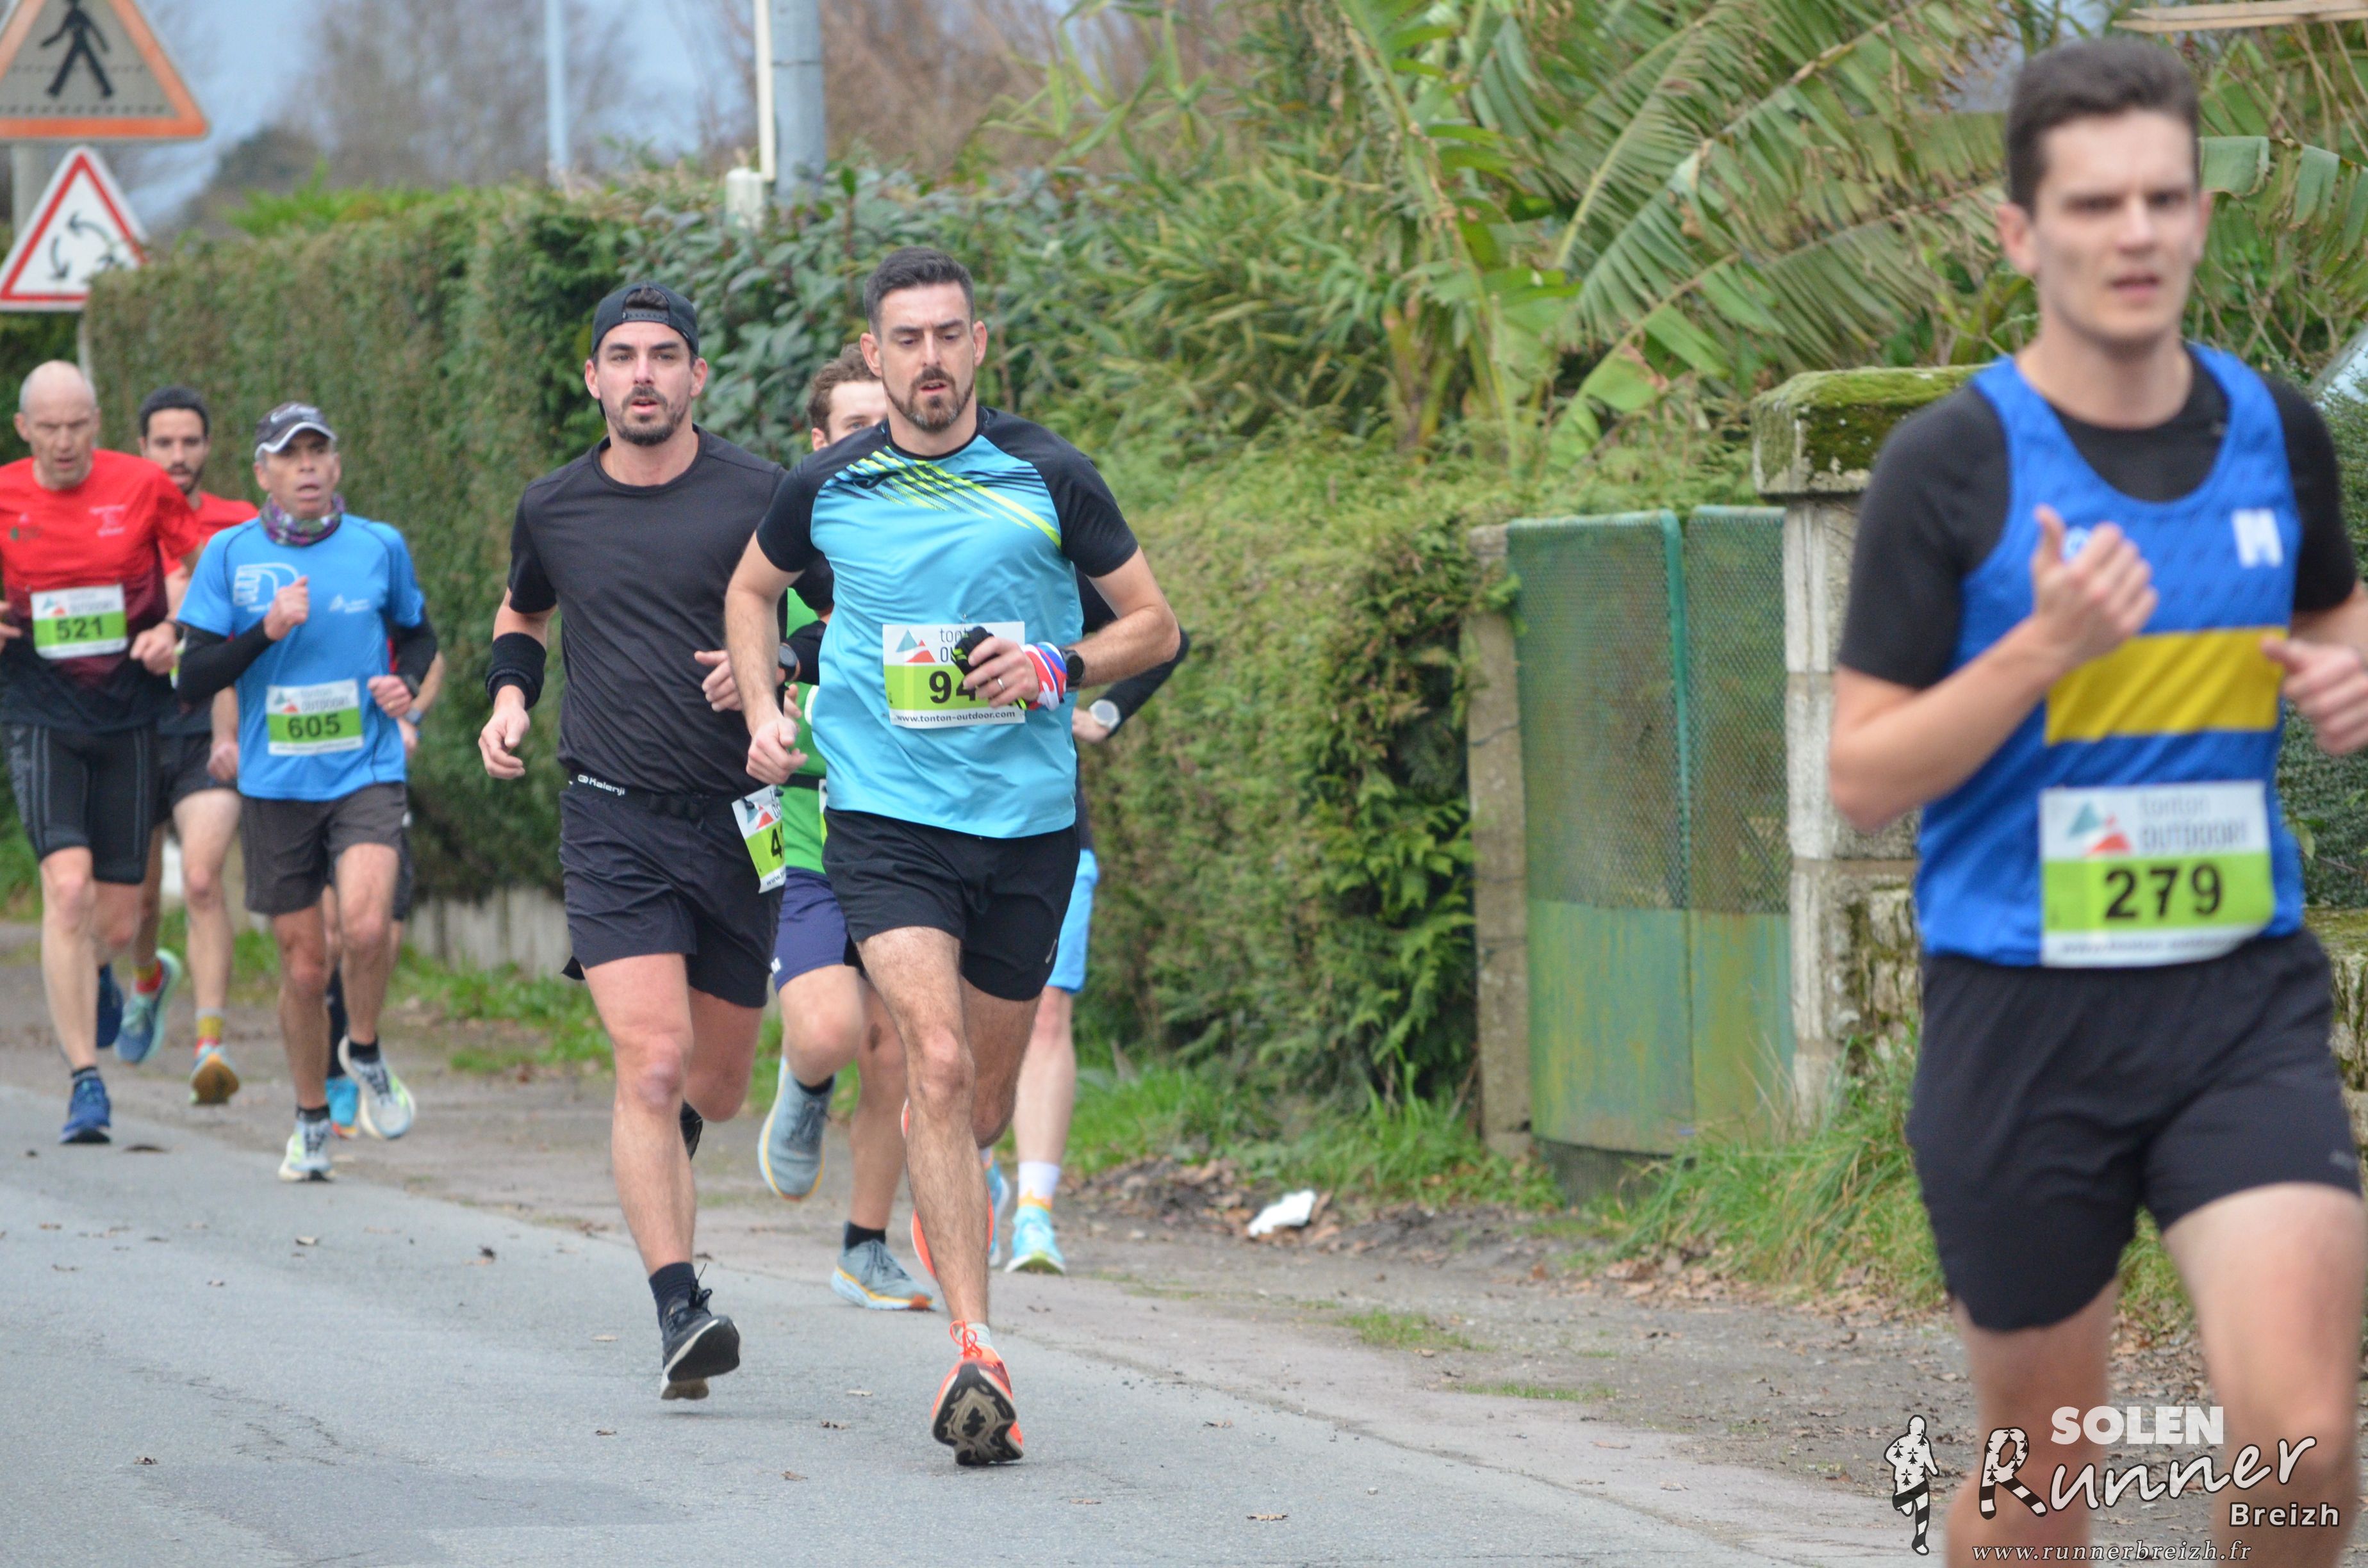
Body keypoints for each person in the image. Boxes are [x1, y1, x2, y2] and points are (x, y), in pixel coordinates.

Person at [1828, 40, 2366, 1567]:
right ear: (2022, 232)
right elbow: (1862, 773)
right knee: (2043, 1481)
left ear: (2199, 215)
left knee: (2305, 1439)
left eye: (2163, 198)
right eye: (2093, 204)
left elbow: (2333, 614)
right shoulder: (1951, 466)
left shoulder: (2276, 431)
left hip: (2237, 1003)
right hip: (2022, 1019)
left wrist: (2349, 674)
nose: (2135, 232)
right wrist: (2039, 652)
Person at [725, 247, 1181, 1464]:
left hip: (1026, 830)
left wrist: (1055, 666)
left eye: (948, 335)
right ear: (874, 355)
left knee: (976, 1104)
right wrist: (766, 709)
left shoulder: (1049, 475)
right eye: (906, 339)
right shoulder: (825, 485)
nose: (929, 359)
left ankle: (947, 1216)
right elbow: (752, 592)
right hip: (886, 826)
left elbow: (1154, 625)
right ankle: (977, 1351)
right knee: (929, 1058)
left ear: (979, 345)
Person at [480, 282, 787, 1401]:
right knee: (651, 1063)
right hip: (611, 816)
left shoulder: (762, 492)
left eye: (664, 355)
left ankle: (661, 1158)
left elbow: (835, 612)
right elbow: (524, 611)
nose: (643, 374)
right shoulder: (554, 505)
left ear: (697, 374)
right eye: (622, 356)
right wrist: (509, 699)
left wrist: (777, 666)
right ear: (594, 379)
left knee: (718, 1082)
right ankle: (679, 1309)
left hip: (740, 821)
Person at [702, 345, 933, 1311]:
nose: (872, 442)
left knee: (899, 1048)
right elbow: (741, 652)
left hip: (910, 831)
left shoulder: (933, 546)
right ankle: (803, 1086)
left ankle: (864, 1246)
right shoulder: (776, 564)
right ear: (817, 444)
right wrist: (756, 693)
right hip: (804, 836)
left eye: (885, 424)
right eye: (852, 427)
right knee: (834, 1031)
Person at [176, 404, 434, 1182]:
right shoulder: (229, 555)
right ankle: (311, 1118)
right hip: (277, 782)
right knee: (302, 967)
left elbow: (418, 634)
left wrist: (406, 683)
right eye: (291, 456)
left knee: (366, 926)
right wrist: (266, 630)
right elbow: (192, 677)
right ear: (264, 473)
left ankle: (365, 1049)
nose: (308, 466)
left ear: (337, 466)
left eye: (319, 452)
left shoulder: (379, 545)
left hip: (366, 768)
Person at [0, 363, 208, 1144]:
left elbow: (198, 571)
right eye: (48, 429)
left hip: (129, 715)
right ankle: (85, 1081)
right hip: (40, 712)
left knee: (119, 924)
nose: (64, 443)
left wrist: (175, 629)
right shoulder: (4, 493)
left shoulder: (143, 485)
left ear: (96, 422)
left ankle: (98, 974)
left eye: (77, 426)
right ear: (24, 429)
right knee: (67, 890)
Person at [1001, 582, 1187, 1275]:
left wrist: (1106, 711)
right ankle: (972, 1172)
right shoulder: (914, 547)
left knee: (1047, 1014)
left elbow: (1164, 634)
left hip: (1054, 831)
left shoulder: (1050, 557)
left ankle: (1035, 1215)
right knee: (952, 1023)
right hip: (937, 831)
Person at [116, 386, 258, 1105]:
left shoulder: (240, 525)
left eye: (191, 442)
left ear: (208, 446)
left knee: (201, 881)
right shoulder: (113, 525)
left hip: (208, 723)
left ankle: (210, 1043)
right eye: (164, 443)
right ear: (142, 448)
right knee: (138, 905)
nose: (178, 455)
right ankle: (148, 978)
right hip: (132, 726)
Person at [321, 649, 442, 1137]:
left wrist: (411, 716)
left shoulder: (385, 604)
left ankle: (362, 1044)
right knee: (330, 938)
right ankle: (335, 1074)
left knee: (378, 938)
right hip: (308, 785)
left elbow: (432, 657)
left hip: (376, 784)